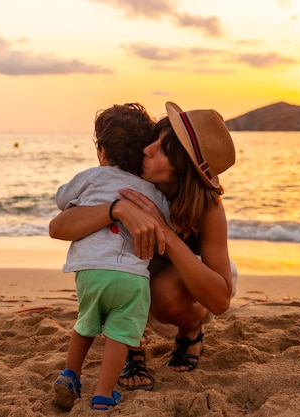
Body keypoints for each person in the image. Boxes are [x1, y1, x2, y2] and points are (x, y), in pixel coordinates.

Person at [49, 101, 236, 392]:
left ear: (183, 170)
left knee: (162, 291)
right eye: (155, 140)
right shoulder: (130, 182)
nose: (147, 149)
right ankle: (132, 349)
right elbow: (58, 227)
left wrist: (164, 231)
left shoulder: (207, 208)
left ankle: (190, 331)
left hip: (190, 287)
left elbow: (221, 300)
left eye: (163, 149)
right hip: (133, 282)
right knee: (109, 271)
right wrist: (118, 209)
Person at [51, 103, 170, 411]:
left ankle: (70, 373)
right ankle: (103, 393)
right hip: (132, 277)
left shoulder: (90, 177)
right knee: (120, 334)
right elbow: (165, 225)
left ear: (102, 150)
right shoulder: (152, 192)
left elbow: (63, 199)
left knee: (85, 323)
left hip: (90, 271)